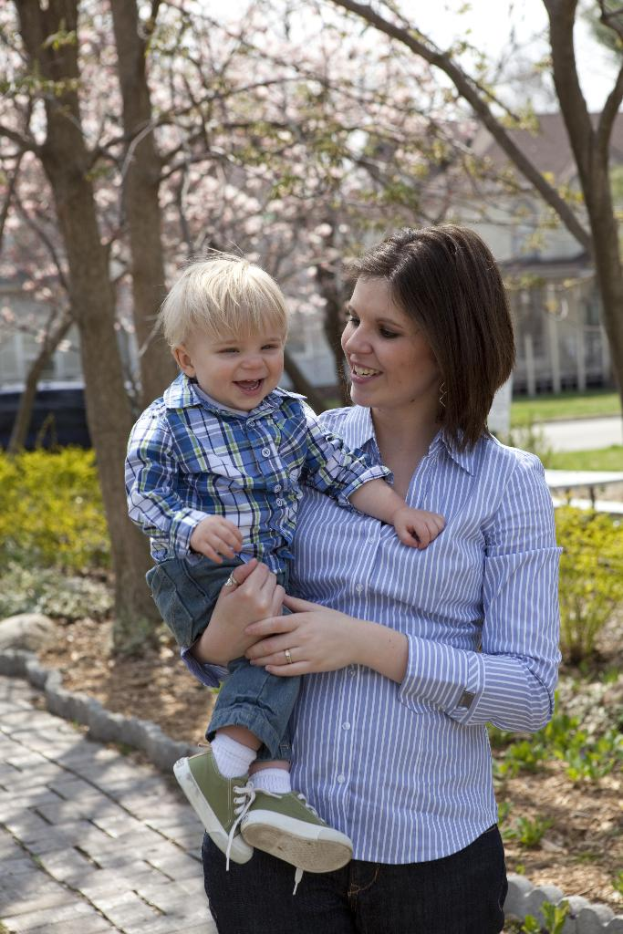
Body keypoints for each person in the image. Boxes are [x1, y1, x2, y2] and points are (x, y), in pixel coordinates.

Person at [184, 226, 562, 934]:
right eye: (353, 318)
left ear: (451, 345)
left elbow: (529, 695)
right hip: (268, 845)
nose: (353, 342)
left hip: (433, 857)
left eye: (385, 329)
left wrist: (366, 643)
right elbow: (222, 629)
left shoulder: (508, 486)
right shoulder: (297, 446)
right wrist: (213, 641)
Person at [125, 254, 445, 884]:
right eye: (231, 350)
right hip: (200, 572)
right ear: (187, 359)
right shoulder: (170, 423)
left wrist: (397, 510)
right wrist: (192, 525)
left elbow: (341, 472)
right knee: (275, 649)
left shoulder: (289, 414)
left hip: (262, 572)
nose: (254, 364)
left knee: (283, 658)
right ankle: (221, 765)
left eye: (269, 346)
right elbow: (144, 495)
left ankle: (270, 789)